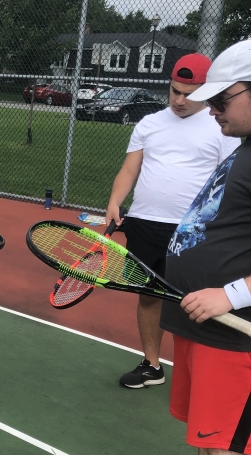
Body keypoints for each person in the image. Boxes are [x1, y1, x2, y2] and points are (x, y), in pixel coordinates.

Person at [140, 39, 251, 455]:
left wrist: (230, 293)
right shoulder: (244, 143)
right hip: (203, 325)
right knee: (212, 433)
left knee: (232, 444)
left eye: (223, 98)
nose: (212, 109)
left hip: (237, 336)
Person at [105, 54, 239, 389]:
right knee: (149, 296)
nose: (179, 100)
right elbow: (129, 169)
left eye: (189, 93)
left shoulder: (222, 126)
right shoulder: (148, 124)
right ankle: (152, 365)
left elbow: (227, 182)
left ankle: (204, 374)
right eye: (174, 91)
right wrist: (114, 202)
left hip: (194, 232)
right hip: (144, 224)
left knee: (196, 303)